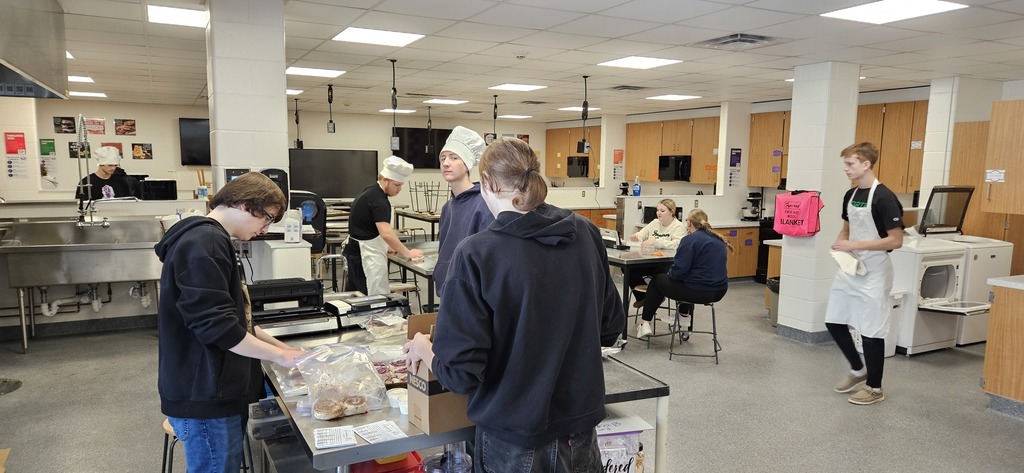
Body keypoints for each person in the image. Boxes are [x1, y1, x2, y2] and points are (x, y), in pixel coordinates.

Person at [404, 138, 624, 472]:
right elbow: (609, 329)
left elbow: (461, 375)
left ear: (487, 183)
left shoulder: (476, 253)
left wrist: (423, 347)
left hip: (513, 437)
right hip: (580, 430)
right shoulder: (584, 232)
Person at [154, 171, 305, 473]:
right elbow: (217, 327)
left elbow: (236, 318)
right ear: (245, 205)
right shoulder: (204, 243)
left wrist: (283, 348)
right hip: (205, 392)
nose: (264, 229)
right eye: (267, 218)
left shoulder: (213, 240)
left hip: (217, 386)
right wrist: (279, 356)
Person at [825, 142, 904, 406]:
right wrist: (841, 248)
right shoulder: (851, 195)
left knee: (872, 329)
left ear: (866, 164)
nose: (846, 168)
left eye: (850, 163)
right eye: (845, 164)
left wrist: (854, 246)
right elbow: (846, 228)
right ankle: (858, 370)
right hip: (851, 268)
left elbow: (895, 240)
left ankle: (875, 387)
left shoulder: (884, 197)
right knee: (834, 320)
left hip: (875, 271)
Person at [636, 209, 730, 339]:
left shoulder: (689, 240)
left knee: (657, 280)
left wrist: (670, 272)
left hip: (698, 291)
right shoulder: (718, 240)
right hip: (719, 291)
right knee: (685, 280)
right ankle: (683, 315)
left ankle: (645, 322)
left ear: (690, 223)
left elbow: (678, 273)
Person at [343, 156, 424, 295]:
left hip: (356, 251)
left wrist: (386, 246)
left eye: (401, 185)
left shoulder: (371, 190)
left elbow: (369, 226)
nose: (399, 190)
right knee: (370, 298)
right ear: (385, 180)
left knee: (356, 296)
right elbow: (385, 232)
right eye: (396, 185)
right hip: (366, 255)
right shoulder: (379, 200)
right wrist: (408, 253)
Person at [435, 125, 491, 296]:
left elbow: (486, 256)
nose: (446, 163)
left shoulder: (483, 204)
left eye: (454, 158)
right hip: (448, 289)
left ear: (467, 164)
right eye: (443, 158)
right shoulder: (448, 208)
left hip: (471, 292)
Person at [627, 198, 687, 307]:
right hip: (649, 260)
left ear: (672, 212)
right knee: (628, 268)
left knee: (659, 275)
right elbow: (642, 234)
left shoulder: (678, 227)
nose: (659, 213)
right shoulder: (655, 223)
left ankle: (655, 297)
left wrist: (656, 242)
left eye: (662, 211)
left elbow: (677, 244)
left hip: (667, 263)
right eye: (658, 210)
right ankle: (643, 298)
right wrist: (636, 237)